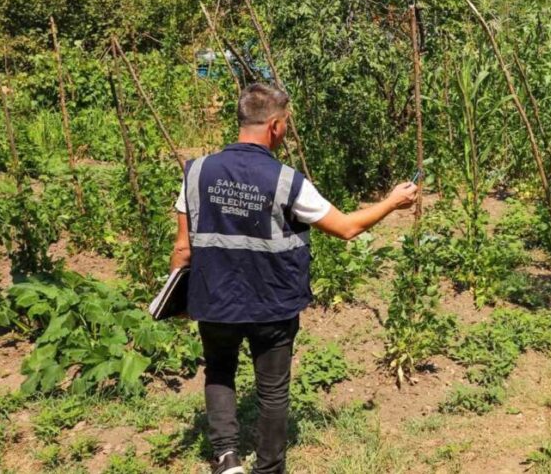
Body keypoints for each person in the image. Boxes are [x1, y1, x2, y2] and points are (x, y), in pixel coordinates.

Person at [169, 83, 418, 474]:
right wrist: (391, 201)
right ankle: (269, 468)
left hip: (214, 298)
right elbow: (347, 228)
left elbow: (183, 248)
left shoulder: (196, 172)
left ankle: (226, 459)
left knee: (219, 370)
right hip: (272, 305)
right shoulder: (286, 181)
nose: (285, 130)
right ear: (273, 126)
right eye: (285, 123)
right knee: (272, 389)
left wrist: (179, 296)